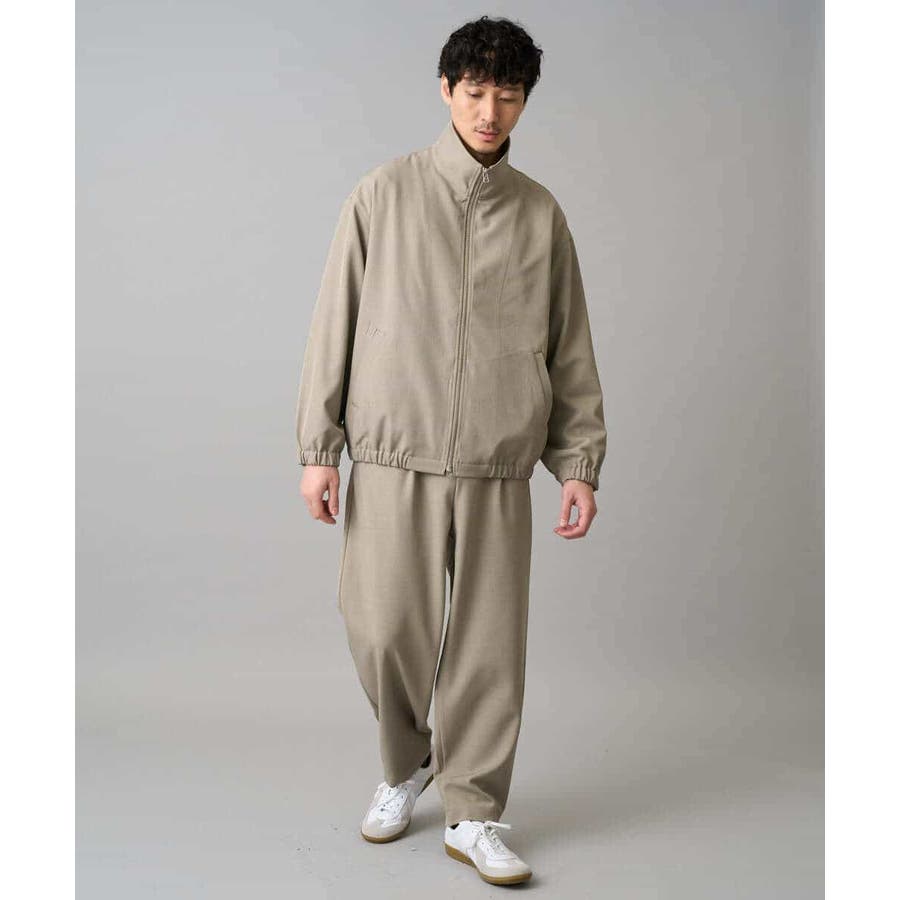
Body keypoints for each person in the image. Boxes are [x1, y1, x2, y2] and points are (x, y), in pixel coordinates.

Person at [295, 15, 607, 887]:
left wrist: (578, 462)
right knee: (381, 627)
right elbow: (334, 322)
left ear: (524, 101)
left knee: (487, 650)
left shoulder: (540, 215)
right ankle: (407, 762)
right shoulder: (383, 194)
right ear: (446, 90)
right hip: (393, 454)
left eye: (508, 94)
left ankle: (473, 810)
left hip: (497, 466)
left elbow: (569, 346)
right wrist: (320, 446)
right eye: (474, 91)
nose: (489, 110)